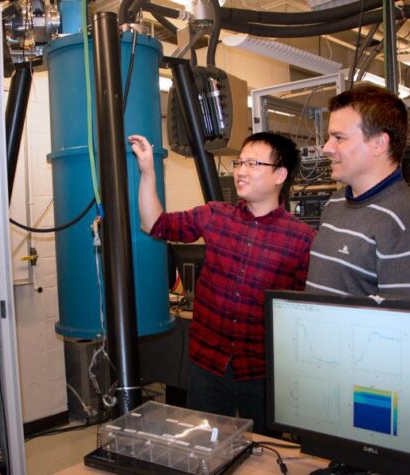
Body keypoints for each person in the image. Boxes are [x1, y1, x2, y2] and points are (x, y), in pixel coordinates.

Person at [129, 132, 315, 434]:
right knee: (207, 447)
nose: (241, 170)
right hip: (208, 365)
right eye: (239, 162)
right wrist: (148, 170)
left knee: (266, 452)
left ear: (280, 175)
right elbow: (155, 224)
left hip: (262, 371)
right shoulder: (214, 215)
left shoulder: (301, 239)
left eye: (253, 163)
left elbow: (301, 316)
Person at [305, 84, 410, 298]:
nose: (326, 148)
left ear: (379, 143)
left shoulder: (402, 218)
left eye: (339, 138)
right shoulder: (335, 202)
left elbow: (401, 323)